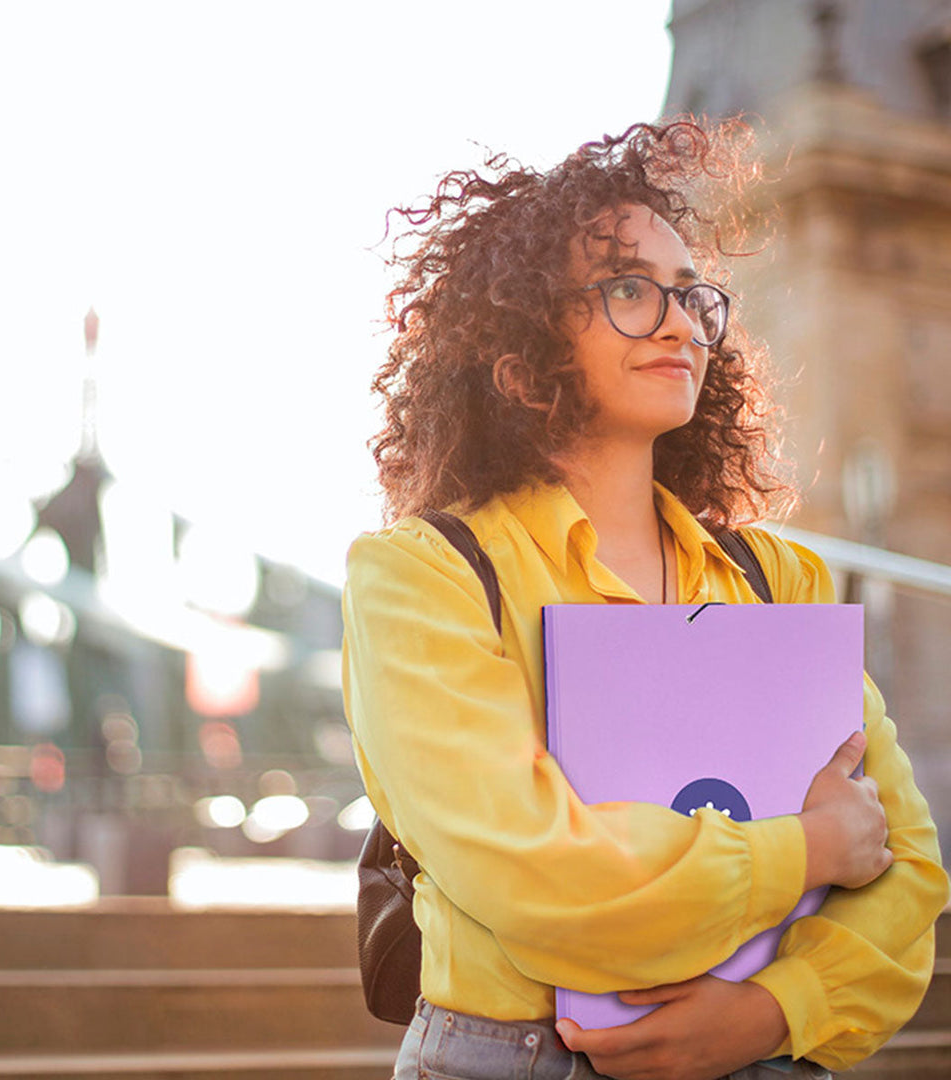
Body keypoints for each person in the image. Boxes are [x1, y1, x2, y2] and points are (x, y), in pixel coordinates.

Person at [341, 120, 948, 1080]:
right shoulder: (424, 576)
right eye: (627, 288)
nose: (677, 322)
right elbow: (540, 877)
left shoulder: (778, 582)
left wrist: (775, 1011)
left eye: (689, 295)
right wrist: (809, 850)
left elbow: (910, 873)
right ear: (518, 351)